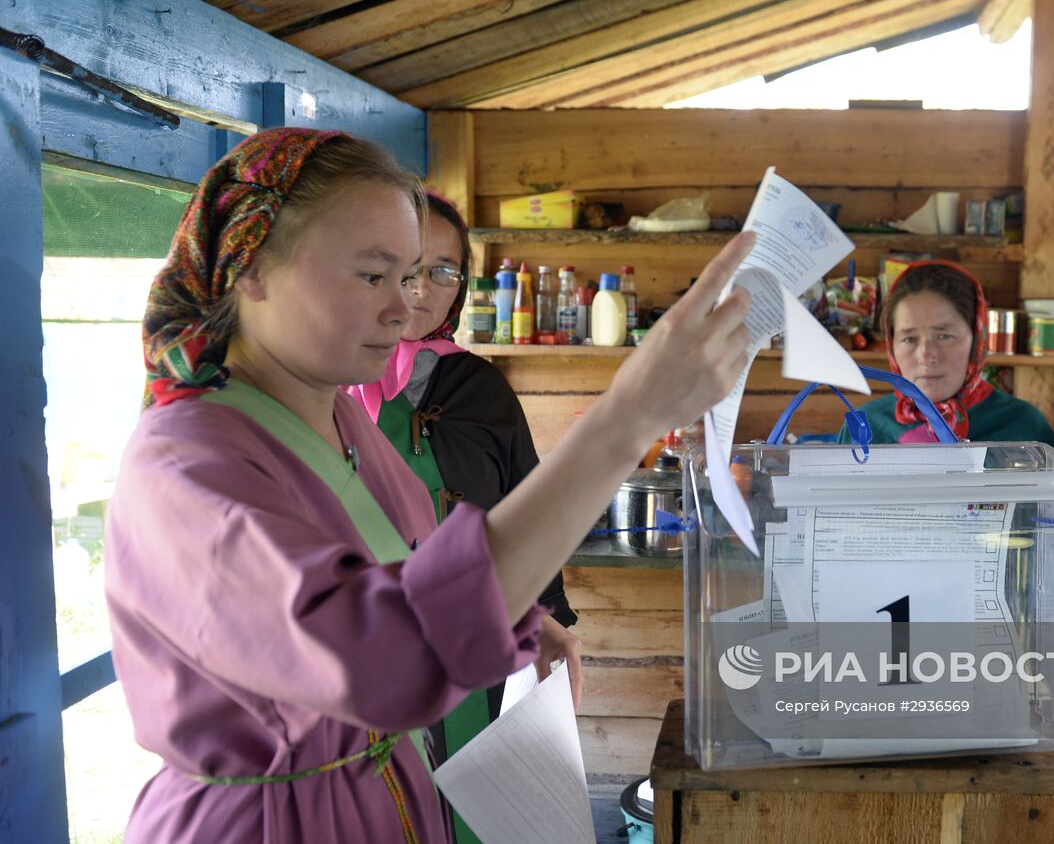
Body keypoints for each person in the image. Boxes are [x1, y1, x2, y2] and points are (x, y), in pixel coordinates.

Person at [105, 127, 754, 843]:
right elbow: (376, 655)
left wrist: (518, 616)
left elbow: (407, 570)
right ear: (250, 267)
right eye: (371, 274)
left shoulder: (341, 417)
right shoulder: (187, 463)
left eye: (412, 276)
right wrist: (627, 418)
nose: (404, 307)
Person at [346, 192, 579, 844]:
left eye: (443, 270)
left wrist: (546, 615)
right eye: (403, 266)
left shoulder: (480, 388)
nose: (420, 289)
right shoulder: (327, 388)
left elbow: (527, 505)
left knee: (475, 804)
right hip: (362, 652)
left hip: (476, 643)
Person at [840, 260, 1054, 448]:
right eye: (909, 339)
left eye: (944, 336)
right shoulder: (863, 428)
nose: (926, 355)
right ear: (891, 345)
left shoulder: (1024, 429)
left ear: (977, 342)